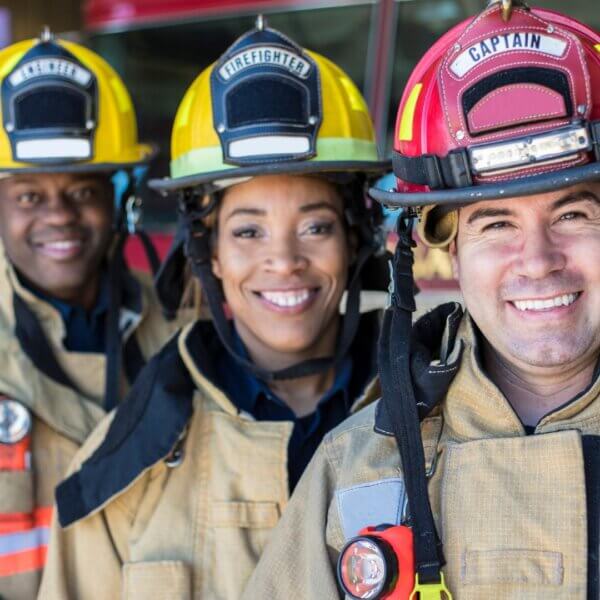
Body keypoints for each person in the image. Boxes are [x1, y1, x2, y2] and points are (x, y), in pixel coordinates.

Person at [242, 2, 600, 599]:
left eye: (573, 214)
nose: (538, 261)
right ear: (448, 251)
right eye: (496, 224)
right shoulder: (352, 470)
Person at [38, 20, 390, 600]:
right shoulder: (124, 468)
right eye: (248, 230)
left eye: (315, 226)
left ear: (355, 242)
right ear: (210, 256)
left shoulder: (430, 418)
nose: (284, 260)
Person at [0, 30, 187, 598]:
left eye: (83, 192)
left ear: (119, 203)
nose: (59, 216)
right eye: (29, 196)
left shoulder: (183, 333)